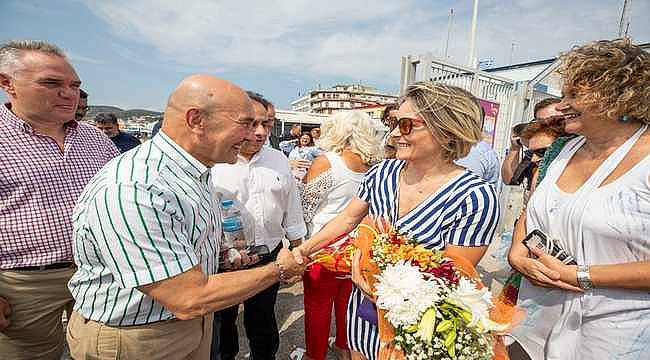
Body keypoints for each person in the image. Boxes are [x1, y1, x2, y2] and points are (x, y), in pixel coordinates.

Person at [66, 74, 306, 359]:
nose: (253, 134)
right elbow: (187, 297)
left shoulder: (195, 173)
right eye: (244, 123)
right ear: (196, 121)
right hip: (139, 340)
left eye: (263, 124)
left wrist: (220, 256)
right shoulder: (137, 187)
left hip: (185, 326)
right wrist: (279, 270)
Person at [293, 82, 500, 360]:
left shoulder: (475, 197)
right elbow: (347, 218)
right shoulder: (382, 173)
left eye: (404, 125)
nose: (392, 135)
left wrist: (380, 277)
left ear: (445, 128)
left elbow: (452, 278)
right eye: (393, 123)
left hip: (415, 333)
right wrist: (304, 250)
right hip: (362, 316)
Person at [508, 39, 650, 360]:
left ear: (617, 95)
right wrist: (517, 255)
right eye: (563, 94)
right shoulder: (562, 149)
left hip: (615, 338)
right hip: (534, 323)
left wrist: (580, 276)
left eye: (574, 95)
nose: (561, 105)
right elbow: (533, 210)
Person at [0, 40, 120, 359]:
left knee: (104, 351)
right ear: (7, 83)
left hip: (100, 272)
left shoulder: (96, 139)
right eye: (51, 83)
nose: (69, 94)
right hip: (23, 284)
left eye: (75, 85)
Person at [211, 91, 307, 360]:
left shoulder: (278, 160)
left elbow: (292, 208)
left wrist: (298, 251)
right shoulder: (213, 162)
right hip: (224, 263)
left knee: (263, 322)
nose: (261, 131)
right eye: (252, 123)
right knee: (222, 324)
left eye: (266, 124)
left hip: (269, 257)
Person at [300, 111, 382, 360]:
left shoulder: (327, 161)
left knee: (318, 306)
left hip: (323, 246)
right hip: (357, 247)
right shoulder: (376, 165)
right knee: (348, 302)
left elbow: (306, 207)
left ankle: (315, 355)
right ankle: (344, 347)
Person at [501, 98, 562, 185]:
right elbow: (510, 180)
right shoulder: (536, 152)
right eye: (540, 122)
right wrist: (514, 148)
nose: (546, 126)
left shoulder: (574, 152)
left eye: (553, 120)